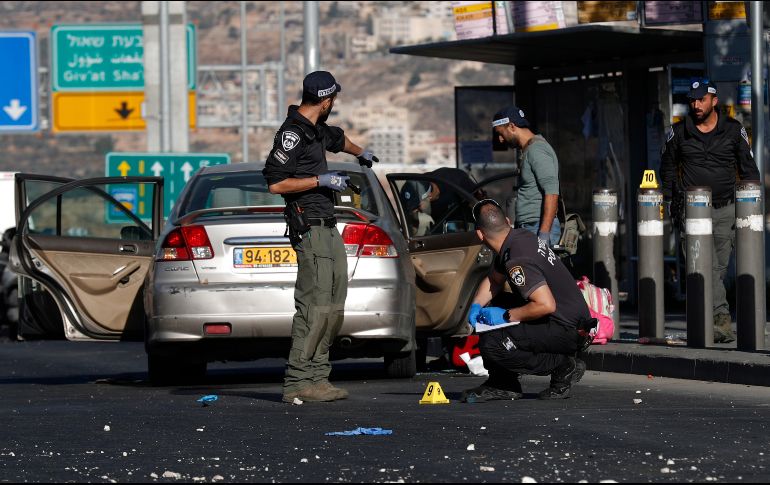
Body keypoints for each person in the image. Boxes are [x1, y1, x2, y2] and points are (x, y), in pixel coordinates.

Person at [262, 71, 379, 403]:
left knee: (333, 305)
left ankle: (318, 377)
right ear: (326, 101)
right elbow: (276, 183)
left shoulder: (315, 130)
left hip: (328, 225)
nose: (334, 104)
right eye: (334, 100)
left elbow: (337, 139)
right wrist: (320, 181)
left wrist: (361, 153)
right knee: (314, 306)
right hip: (309, 225)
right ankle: (298, 381)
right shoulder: (292, 135)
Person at [461, 199, 592, 402]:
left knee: (493, 342)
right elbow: (494, 281)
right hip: (571, 320)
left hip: (567, 328)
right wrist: (476, 307)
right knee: (492, 313)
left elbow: (545, 304)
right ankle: (503, 384)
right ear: (507, 221)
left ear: (480, 234)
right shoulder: (518, 238)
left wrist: (505, 316)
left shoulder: (517, 258)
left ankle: (562, 365)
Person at [660, 79, 758, 344]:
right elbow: (667, 168)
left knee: (718, 268)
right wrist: (668, 201)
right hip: (692, 212)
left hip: (726, 208)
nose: (696, 104)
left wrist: (753, 206)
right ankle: (721, 321)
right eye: (692, 99)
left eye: (701, 99)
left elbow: (748, 168)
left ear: (714, 100)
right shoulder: (678, 133)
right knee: (706, 266)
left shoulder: (733, 130)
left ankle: (707, 319)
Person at [492, 106, 561, 246]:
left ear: (512, 126)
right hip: (530, 227)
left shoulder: (537, 150)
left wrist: (543, 236)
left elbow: (552, 192)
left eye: (501, 133)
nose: (500, 139)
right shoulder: (528, 150)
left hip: (537, 228)